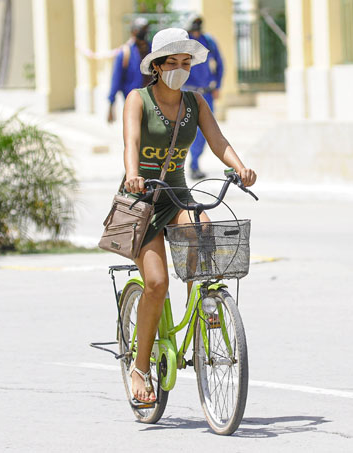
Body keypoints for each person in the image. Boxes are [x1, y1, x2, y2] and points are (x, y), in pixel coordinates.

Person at [122, 28, 256, 404]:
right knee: (156, 283)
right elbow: (130, 143)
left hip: (177, 192)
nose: (181, 69)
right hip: (143, 198)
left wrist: (240, 168)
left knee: (204, 230)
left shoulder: (196, 103)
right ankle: (139, 367)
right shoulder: (138, 99)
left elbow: (218, 142)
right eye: (173, 63)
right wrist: (133, 174)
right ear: (157, 67)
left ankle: (203, 309)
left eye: (186, 63)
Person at [183, 15, 225, 180]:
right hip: (187, 92)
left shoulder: (209, 41)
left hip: (206, 93)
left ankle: (194, 163)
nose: (197, 30)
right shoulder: (185, 43)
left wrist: (218, 85)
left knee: (205, 132)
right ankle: (181, 166)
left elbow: (220, 64)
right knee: (187, 131)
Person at [108, 17, 151, 123]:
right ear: (133, 31)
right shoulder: (124, 53)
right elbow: (116, 80)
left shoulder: (152, 50)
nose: (143, 32)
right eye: (141, 29)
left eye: (145, 29)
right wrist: (111, 106)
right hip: (133, 102)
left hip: (152, 102)